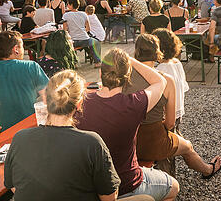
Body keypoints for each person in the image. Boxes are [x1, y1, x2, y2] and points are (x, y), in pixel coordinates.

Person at [75, 49, 180, 200]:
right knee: (174, 187)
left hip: (92, 185)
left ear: (100, 74)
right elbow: (160, 81)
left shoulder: (81, 102)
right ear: (128, 77)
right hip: (128, 183)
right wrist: (131, 60)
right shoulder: (134, 104)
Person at [4, 70, 121, 200]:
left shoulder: (20, 138)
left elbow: (14, 186)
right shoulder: (92, 143)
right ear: (79, 103)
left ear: (45, 100)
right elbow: (109, 197)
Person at [126, 35, 221, 179]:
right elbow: (171, 123)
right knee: (187, 147)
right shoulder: (166, 80)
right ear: (157, 52)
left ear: (136, 52)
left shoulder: (123, 78)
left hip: (127, 141)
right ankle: (208, 170)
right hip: (153, 141)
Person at [0, 31, 49, 130]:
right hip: (28, 129)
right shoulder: (31, 66)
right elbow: (48, 97)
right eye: (22, 46)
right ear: (16, 49)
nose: (23, 49)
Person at [152, 29, 189, 130]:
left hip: (167, 116)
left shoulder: (161, 69)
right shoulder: (177, 63)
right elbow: (184, 87)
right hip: (179, 111)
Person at [61, 0, 102, 66]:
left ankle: (74, 63)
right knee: (96, 42)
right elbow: (88, 28)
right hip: (84, 40)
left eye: (68, 4)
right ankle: (97, 62)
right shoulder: (84, 14)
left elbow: (65, 30)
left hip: (73, 40)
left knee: (67, 45)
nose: (67, 5)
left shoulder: (66, 15)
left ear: (71, 5)